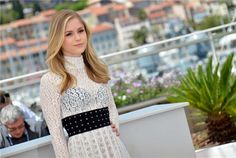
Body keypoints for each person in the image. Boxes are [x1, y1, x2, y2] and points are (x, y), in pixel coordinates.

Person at [40, 10, 131, 158]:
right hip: (82, 151)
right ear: (58, 39)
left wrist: (114, 124)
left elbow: (111, 107)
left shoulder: (97, 69)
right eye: (68, 34)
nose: (77, 38)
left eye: (80, 31)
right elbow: (56, 133)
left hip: (112, 147)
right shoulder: (50, 80)